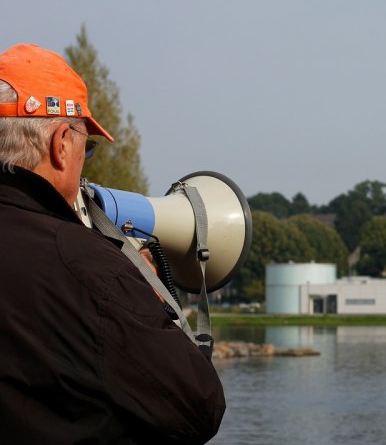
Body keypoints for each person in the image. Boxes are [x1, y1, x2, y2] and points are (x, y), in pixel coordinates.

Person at [0, 43, 225, 443]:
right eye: (86, 145)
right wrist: (141, 289)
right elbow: (199, 407)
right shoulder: (89, 269)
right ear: (60, 144)